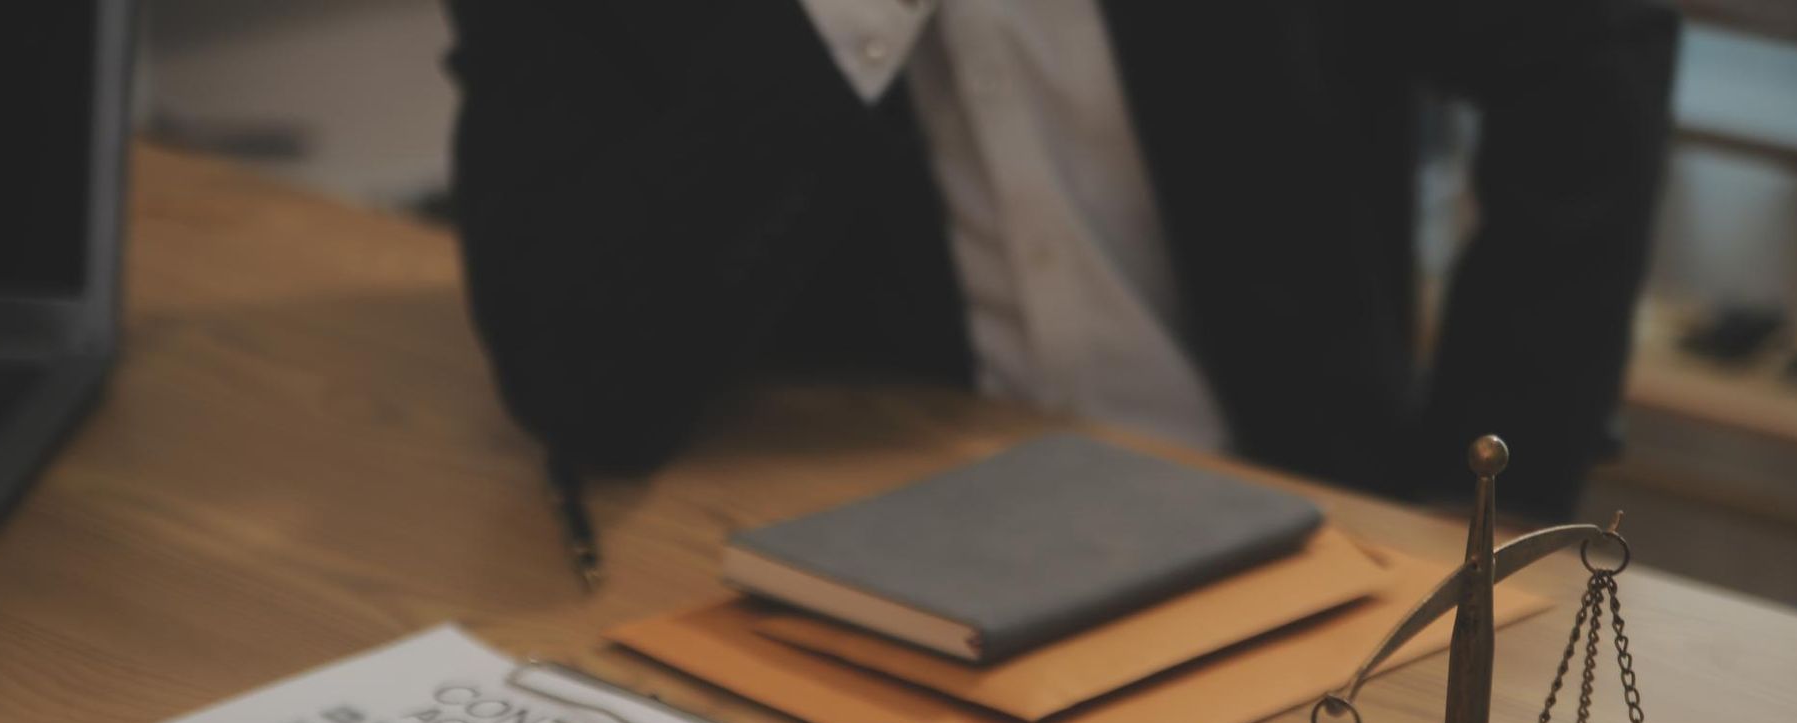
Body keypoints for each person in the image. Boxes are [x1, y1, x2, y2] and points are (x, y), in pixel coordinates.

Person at [443, 1, 1677, 518]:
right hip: (855, 560)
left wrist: (1494, 484)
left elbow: (1589, 40)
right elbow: (580, 380)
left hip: (1292, 511)